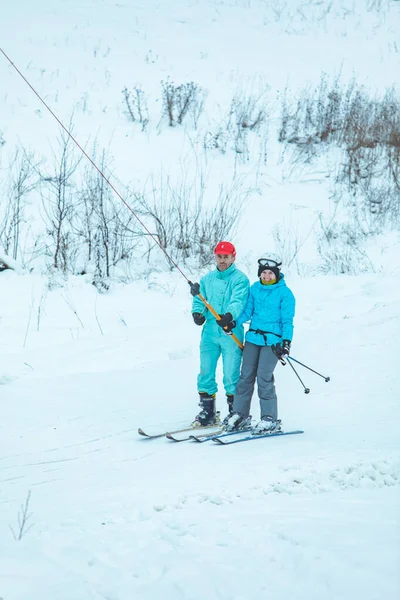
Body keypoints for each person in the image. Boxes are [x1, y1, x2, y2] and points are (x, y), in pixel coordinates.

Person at [222, 256, 295, 434]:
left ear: (276, 274)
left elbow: (287, 321)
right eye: (264, 272)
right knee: (245, 376)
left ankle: (269, 418)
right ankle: (240, 414)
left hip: (273, 342)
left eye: (270, 273)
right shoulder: (255, 289)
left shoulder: (285, 294)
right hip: (253, 338)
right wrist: (233, 322)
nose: (267, 276)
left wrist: (286, 342)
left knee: (264, 377)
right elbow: (247, 311)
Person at [190, 241, 250, 426]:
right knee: (205, 370)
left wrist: (229, 315)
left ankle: (236, 412)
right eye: (219, 256)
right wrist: (197, 312)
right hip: (210, 332)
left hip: (230, 331)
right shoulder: (207, 279)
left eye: (226, 257)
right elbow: (201, 300)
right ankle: (207, 411)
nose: (222, 260)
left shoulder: (240, 279)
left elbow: (238, 300)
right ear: (215, 257)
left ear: (233, 257)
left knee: (231, 374)